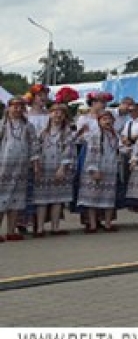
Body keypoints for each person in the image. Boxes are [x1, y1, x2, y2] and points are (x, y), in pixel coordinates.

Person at [31, 101, 75, 237]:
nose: (57, 115)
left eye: (61, 113)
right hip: (44, 167)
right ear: (50, 114)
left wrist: (63, 168)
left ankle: (55, 227)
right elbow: (35, 148)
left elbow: (68, 151)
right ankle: (39, 228)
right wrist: (36, 165)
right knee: (41, 199)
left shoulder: (67, 132)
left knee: (58, 198)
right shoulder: (42, 131)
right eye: (55, 112)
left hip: (59, 167)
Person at [77, 109, 122, 232]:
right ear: (99, 122)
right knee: (92, 197)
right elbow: (92, 153)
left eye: (109, 119)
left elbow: (120, 150)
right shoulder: (95, 135)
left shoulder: (115, 135)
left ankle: (107, 223)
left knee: (108, 197)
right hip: (96, 168)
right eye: (104, 119)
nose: (107, 121)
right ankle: (92, 224)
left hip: (110, 169)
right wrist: (93, 169)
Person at [0, 98, 35, 241]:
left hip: (21, 166)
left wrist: (35, 162)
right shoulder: (2, 125)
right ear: (8, 108)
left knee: (16, 199)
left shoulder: (28, 126)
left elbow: (34, 144)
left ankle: (11, 231)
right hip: (3, 166)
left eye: (21, 107)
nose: (18, 110)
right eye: (15, 107)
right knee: (2, 198)